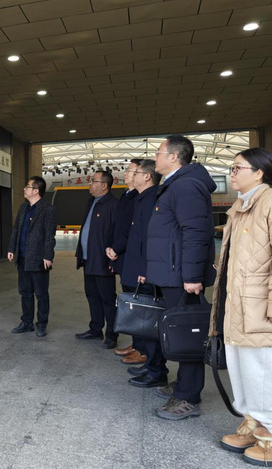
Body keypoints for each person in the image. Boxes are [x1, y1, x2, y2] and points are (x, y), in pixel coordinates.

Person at [210, 148, 272, 466]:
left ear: (259, 172)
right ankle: (255, 423)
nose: (232, 173)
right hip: (240, 305)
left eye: (238, 168)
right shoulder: (241, 206)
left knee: (266, 372)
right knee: (244, 370)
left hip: (266, 308)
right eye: (231, 167)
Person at [146, 135, 217, 420]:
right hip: (173, 272)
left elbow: (196, 233)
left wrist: (192, 275)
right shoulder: (176, 184)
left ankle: (188, 397)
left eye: (159, 152)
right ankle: (184, 385)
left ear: (174, 157)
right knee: (180, 332)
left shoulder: (185, 186)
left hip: (181, 276)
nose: (155, 157)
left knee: (188, 334)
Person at [122, 159, 164, 387]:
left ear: (147, 176)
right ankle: (150, 364)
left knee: (149, 322)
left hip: (143, 272)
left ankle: (156, 371)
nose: (132, 175)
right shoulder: (141, 198)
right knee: (142, 321)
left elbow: (150, 238)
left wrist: (145, 268)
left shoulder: (150, 200)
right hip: (136, 267)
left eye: (136, 172)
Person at [106, 159, 145, 365]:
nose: (126, 173)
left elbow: (132, 230)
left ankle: (142, 348)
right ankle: (136, 343)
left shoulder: (140, 198)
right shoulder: (127, 195)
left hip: (132, 257)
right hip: (122, 256)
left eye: (130, 170)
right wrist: (112, 249)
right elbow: (118, 227)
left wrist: (117, 248)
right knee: (130, 303)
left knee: (139, 304)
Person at [8, 176, 57, 337]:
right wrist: (12, 248)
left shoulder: (48, 209)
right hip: (22, 257)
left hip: (38, 258)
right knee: (25, 293)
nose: (24, 189)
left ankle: (42, 324)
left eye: (27, 187)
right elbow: (16, 230)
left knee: (41, 294)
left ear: (36, 190)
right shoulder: (23, 208)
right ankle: (27, 322)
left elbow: (49, 235)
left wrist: (48, 256)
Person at [75, 171, 119, 349]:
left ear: (104, 185)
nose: (90, 184)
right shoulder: (91, 202)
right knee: (92, 296)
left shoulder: (113, 205)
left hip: (103, 261)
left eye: (94, 181)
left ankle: (112, 335)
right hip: (88, 259)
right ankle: (95, 329)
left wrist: (113, 260)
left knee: (108, 299)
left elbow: (116, 234)